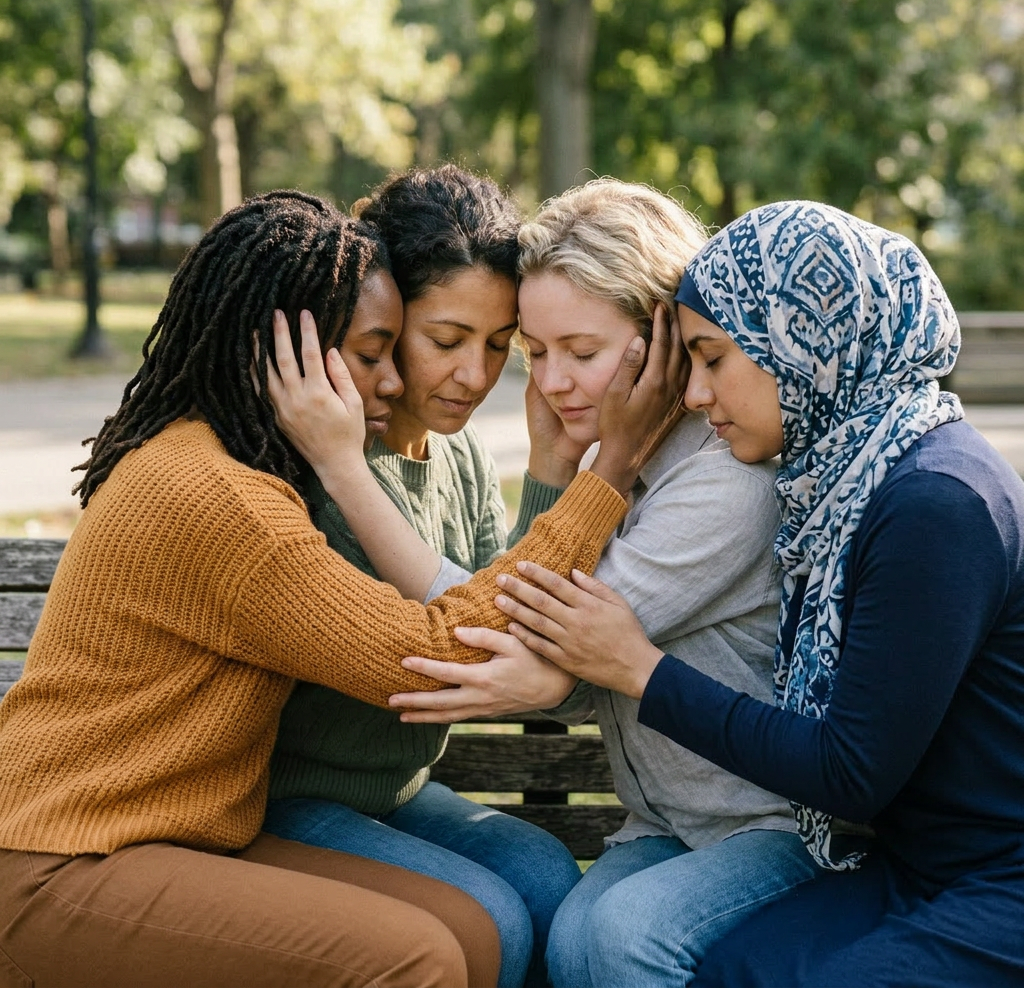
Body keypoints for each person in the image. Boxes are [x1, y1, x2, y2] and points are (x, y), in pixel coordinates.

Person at [0, 190, 679, 988]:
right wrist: (610, 473)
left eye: (501, 345)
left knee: (493, 914)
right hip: (72, 853)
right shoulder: (223, 495)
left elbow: (485, 604)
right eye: (373, 353)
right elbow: (431, 650)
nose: (394, 382)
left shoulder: (239, 469)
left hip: (183, 830)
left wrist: (553, 472)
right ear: (283, 354)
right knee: (430, 952)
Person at [487, 200, 1024, 987]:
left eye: (713, 359)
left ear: (801, 346)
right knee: (720, 967)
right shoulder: (844, 483)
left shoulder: (935, 502)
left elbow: (850, 774)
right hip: (913, 864)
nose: (697, 395)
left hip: (996, 877)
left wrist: (639, 668)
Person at [335, 179, 838, 987]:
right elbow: (559, 675)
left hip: (771, 824)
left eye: (583, 352)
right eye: (538, 353)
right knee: (571, 938)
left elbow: (525, 643)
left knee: (613, 939)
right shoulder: (618, 465)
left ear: (665, 341)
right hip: (663, 823)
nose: (552, 382)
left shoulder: (724, 485)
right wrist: (557, 472)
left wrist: (573, 478)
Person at [263, 166, 581, 988]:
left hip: (397, 790)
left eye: (498, 346)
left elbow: (503, 611)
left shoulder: (462, 456)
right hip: (287, 801)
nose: (476, 376)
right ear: (386, 314)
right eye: (447, 340)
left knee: (546, 876)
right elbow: (460, 644)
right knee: (494, 917)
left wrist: (547, 465)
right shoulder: (311, 465)